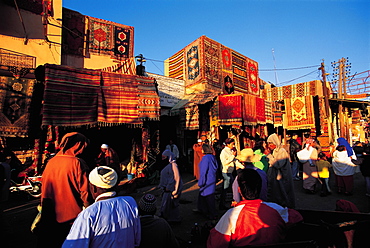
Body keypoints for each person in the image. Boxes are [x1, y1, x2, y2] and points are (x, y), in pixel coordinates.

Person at [207, 169, 303, 248]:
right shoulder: (276, 209)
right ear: (260, 187)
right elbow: (297, 217)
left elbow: (216, 243)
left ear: (239, 190)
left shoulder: (231, 215)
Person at [62, 166, 141, 248]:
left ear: (93, 188)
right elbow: (137, 239)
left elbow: (73, 245)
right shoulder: (130, 202)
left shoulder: (89, 214)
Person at [38, 132, 93, 248]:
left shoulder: (51, 162)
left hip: (50, 215)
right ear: (78, 145)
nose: (84, 150)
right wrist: (89, 209)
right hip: (72, 217)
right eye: (84, 146)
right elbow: (85, 191)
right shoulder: (77, 163)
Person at [266, 133, 295, 208]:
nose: (269, 145)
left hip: (282, 177)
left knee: (283, 193)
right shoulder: (275, 151)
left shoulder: (281, 151)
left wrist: (269, 156)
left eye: (270, 143)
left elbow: (278, 164)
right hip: (276, 177)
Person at [158, 149, 183, 223]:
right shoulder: (169, 165)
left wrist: (171, 188)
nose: (163, 159)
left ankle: (173, 219)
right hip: (167, 188)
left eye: (164, 157)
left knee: (170, 204)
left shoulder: (173, 165)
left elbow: (176, 178)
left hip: (170, 189)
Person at [196, 143, 218, 220]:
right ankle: (207, 211)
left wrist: (201, 182)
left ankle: (211, 213)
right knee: (209, 197)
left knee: (208, 198)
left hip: (206, 181)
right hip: (212, 179)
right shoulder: (213, 157)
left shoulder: (205, 158)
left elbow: (203, 171)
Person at [219, 138, 243, 210]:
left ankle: (226, 202)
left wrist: (242, 166)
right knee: (227, 187)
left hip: (230, 171)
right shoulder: (224, 152)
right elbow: (224, 162)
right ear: (228, 144)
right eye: (232, 144)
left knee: (229, 187)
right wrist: (233, 156)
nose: (233, 145)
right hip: (226, 172)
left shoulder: (230, 151)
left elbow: (235, 161)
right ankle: (224, 203)